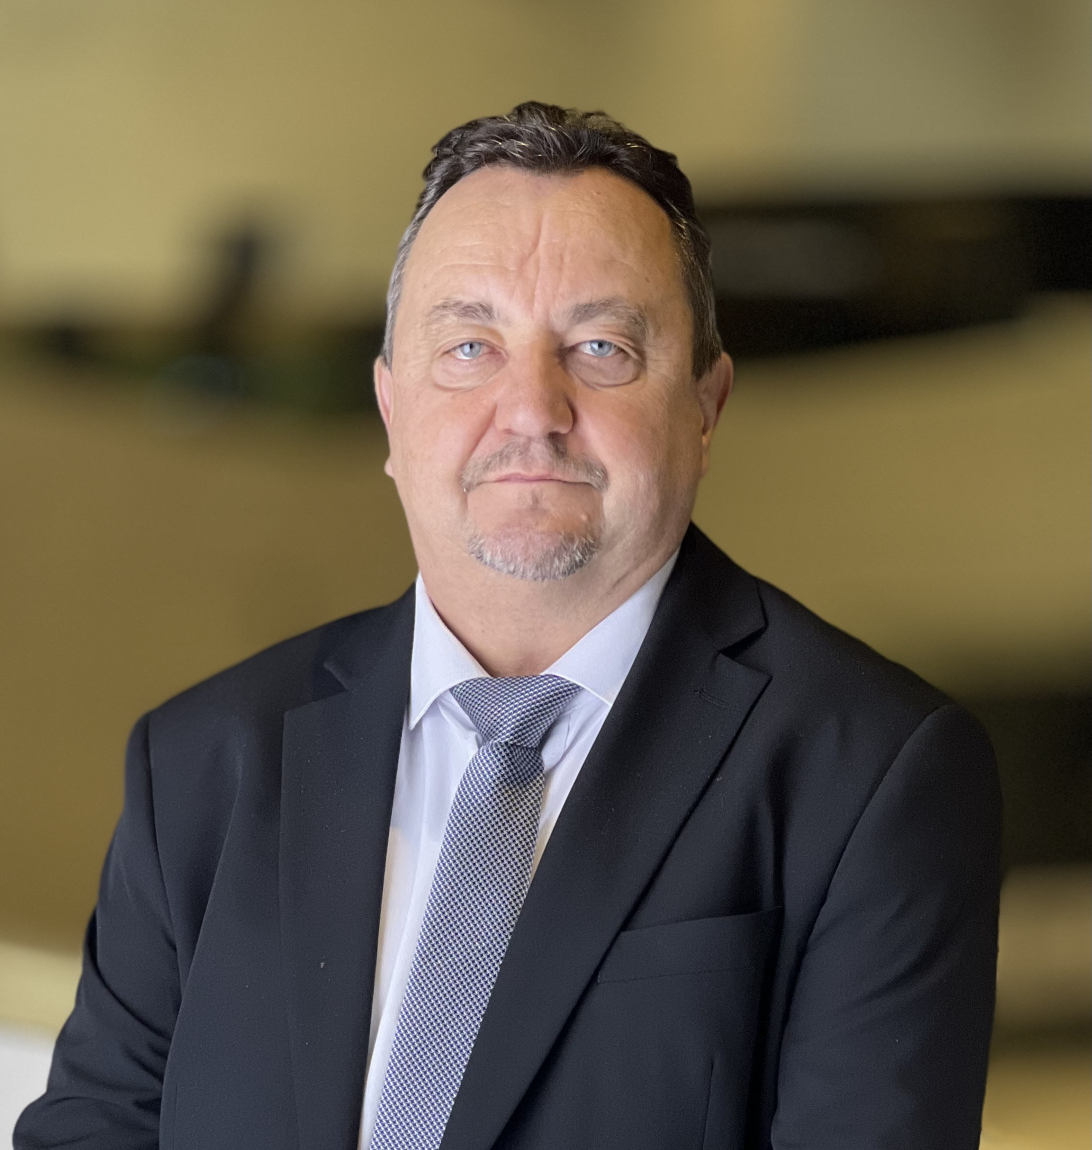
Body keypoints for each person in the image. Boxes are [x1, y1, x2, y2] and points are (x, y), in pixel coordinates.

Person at [16, 102, 1001, 1150]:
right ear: (391, 407)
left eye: (602, 346)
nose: (532, 407)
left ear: (706, 406)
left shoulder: (873, 773)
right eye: (470, 345)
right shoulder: (199, 762)